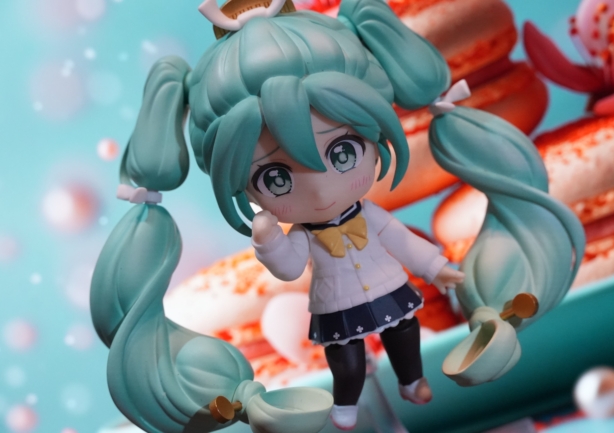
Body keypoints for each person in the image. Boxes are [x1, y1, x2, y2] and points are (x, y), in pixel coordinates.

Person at [91, 0, 585, 431]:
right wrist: (269, 242)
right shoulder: (305, 234)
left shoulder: (371, 216)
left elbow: (404, 243)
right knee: (346, 359)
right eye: (275, 178)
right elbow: (289, 267)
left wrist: (439, 269)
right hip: (337, 303)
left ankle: (411, 381)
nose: (321, 188)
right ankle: (345, 407)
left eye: (343, 152)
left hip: (388, 286)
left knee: (405, 334)